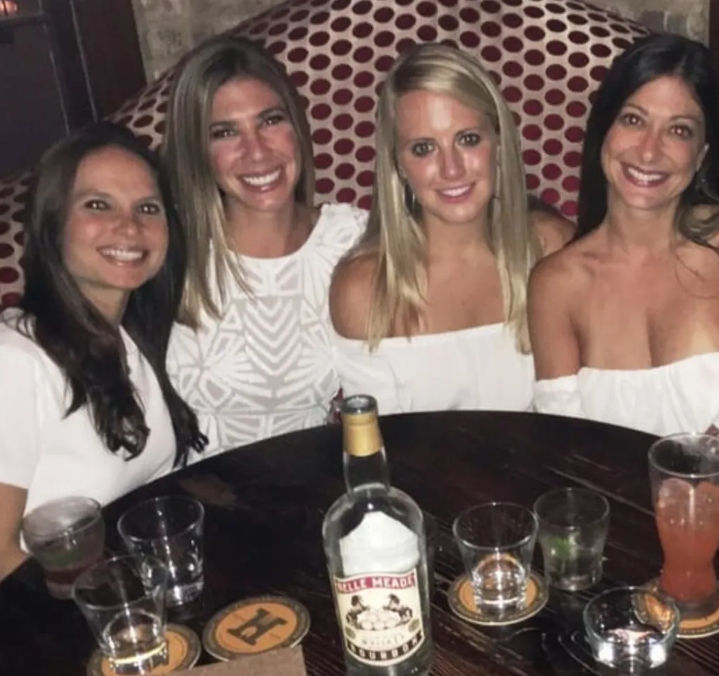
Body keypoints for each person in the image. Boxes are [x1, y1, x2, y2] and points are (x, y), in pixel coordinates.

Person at [0, 123, 205, 578]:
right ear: (52, 224)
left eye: (147, 208)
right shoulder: (14, 361)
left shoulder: (132, 340)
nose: (129, 226)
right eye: (98, 205)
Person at [529, 33, 719, 435]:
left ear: (703, 153)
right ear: (604, 130)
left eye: (679, 130)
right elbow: (563, 443)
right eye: (633, 120)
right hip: (612, 496)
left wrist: (698, 490)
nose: (649, 152)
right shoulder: (556, 284)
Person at [329, 44, 573, 414]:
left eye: (468, 139)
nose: (452, 169)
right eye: (424, 148)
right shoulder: (365, 289)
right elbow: (377, 449)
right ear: (397, 165)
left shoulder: (549, 249)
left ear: (499, 142)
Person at [163, 37, 367, 458]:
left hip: (317, 494)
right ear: (196, 152)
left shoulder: (354, 240)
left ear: (297, 128)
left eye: (270, 121)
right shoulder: (167, 250)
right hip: (193, 502)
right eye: (225, 132)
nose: (256, 151)